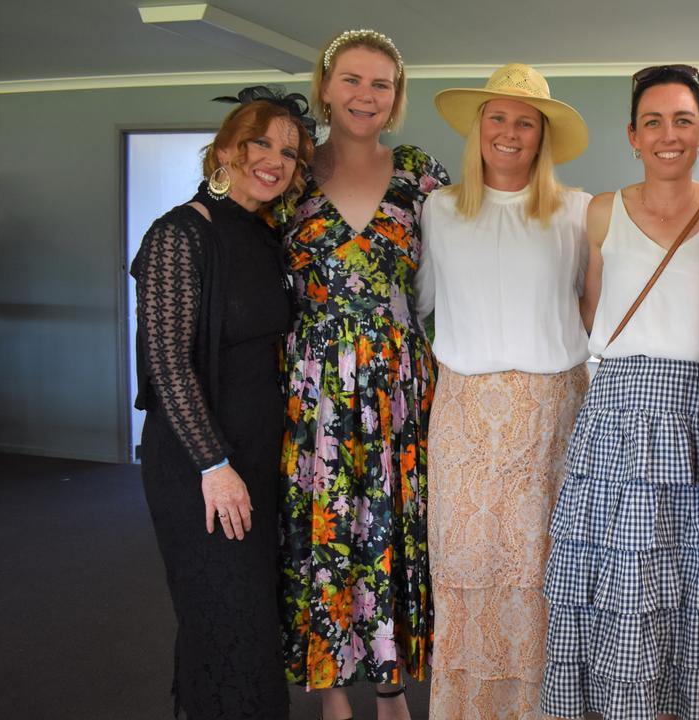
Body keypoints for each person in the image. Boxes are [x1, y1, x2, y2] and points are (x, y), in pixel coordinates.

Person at [539, 65, 699, 720]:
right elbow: (595, 314)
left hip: (698, 413)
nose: (668, 134)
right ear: (632, 134)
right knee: (620, 582)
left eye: (683, 120)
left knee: (691, 583)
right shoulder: (601, 211)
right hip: (616, 417)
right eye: (653, 121)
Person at [277, 29, 449, 720]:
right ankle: (329, 688)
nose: (364, 95)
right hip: (311, 381)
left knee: (389, 526)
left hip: (396, 382)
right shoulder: (287, 172)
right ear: (325, 86)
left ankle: (389, 687)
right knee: (323, 525)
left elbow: (455, 274)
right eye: (352, 80)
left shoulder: (420, 173)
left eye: (381, 84)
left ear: (396, 98)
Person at [132, 85, 315, 720]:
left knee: (249, 617)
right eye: (260, 142)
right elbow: (166, 362)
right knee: (223, 611)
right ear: (227, 149)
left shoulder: (266, 236)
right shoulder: (180, 233)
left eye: (290, 152)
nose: (274, 159)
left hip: (260, 456)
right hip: (200, 463)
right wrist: (214, 467)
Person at [416, 62, 591, 719]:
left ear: (543, 135)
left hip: (552, 415)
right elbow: (419, 300)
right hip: (463, 414)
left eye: (526, 122)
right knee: (465, 570)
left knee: (544, 573)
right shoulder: (438, 209)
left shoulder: (576, 211)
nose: (510, 132)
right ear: (478, 127)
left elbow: (596, 309)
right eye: (499, 118)